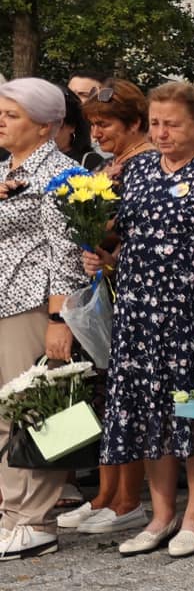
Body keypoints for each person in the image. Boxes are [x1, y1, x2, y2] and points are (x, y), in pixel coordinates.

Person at [96, 82, 194, 558]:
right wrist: (100, 253)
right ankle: (161, 515)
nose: (161, 133)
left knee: (192, 408)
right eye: (155, 123)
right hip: (141, 306)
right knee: (150, 408)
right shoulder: (141, 166)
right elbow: (126, 233)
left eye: (173, 124)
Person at [54, 82, 153, 536]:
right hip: (110, 281)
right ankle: (106, 494)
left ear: (135, 123)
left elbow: (140, 233)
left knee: (127, 394)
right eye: (93, 123)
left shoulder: (146, 164)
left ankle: (128, 498)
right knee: (111, 393)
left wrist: (108, 247)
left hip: (135, 288)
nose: (96, 132)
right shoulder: (113, 165)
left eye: (106, 123)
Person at [0, 79, 92, 560]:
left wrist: (59, 318)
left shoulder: (58, 174)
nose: (0, 120)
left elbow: (65, 255)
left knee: (34, 412)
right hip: (2, 301)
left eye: (11, 115)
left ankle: (35, 520)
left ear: (44, 126)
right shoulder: (6, 168)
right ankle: (12, 512)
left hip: (33, 303)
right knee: (3, 415)